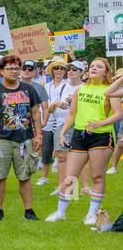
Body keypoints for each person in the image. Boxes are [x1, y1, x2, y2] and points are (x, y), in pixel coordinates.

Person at [47, 57, 121, 224]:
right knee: (70, 176)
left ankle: (91, 214)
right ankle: (60, 212)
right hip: (79, 135)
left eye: (99, 66)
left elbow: (118, 114)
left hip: (102, 136)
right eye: (92, 66)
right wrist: (63, 132)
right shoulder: (80, 89)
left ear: (106, 72)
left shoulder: (110, 90)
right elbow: (72, 114)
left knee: (97, 176)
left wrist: (99, 123)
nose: (94, 68)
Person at [0, 53, 42, 222]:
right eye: (10, 69)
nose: (15, 71)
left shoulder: (28, 89)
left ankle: (29, 210)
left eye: (17, 68)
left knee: (25, 176)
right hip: (1, 139)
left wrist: (38, 135)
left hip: (24, 139)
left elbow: (36, 113)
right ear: (1, 71)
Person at [38, 57, 75, 187]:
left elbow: (66, 104)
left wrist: (54, 105)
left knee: (63, 154)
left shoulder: (69, 84)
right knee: (47, 150)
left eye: (61, 68)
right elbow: (46, 106)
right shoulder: (46, 86)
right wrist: (43, 121)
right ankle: (45, 177)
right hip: (48, 121)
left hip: (64, 121)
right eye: (56, 68)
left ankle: (67, 184)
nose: (59, 70)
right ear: (51, 70)